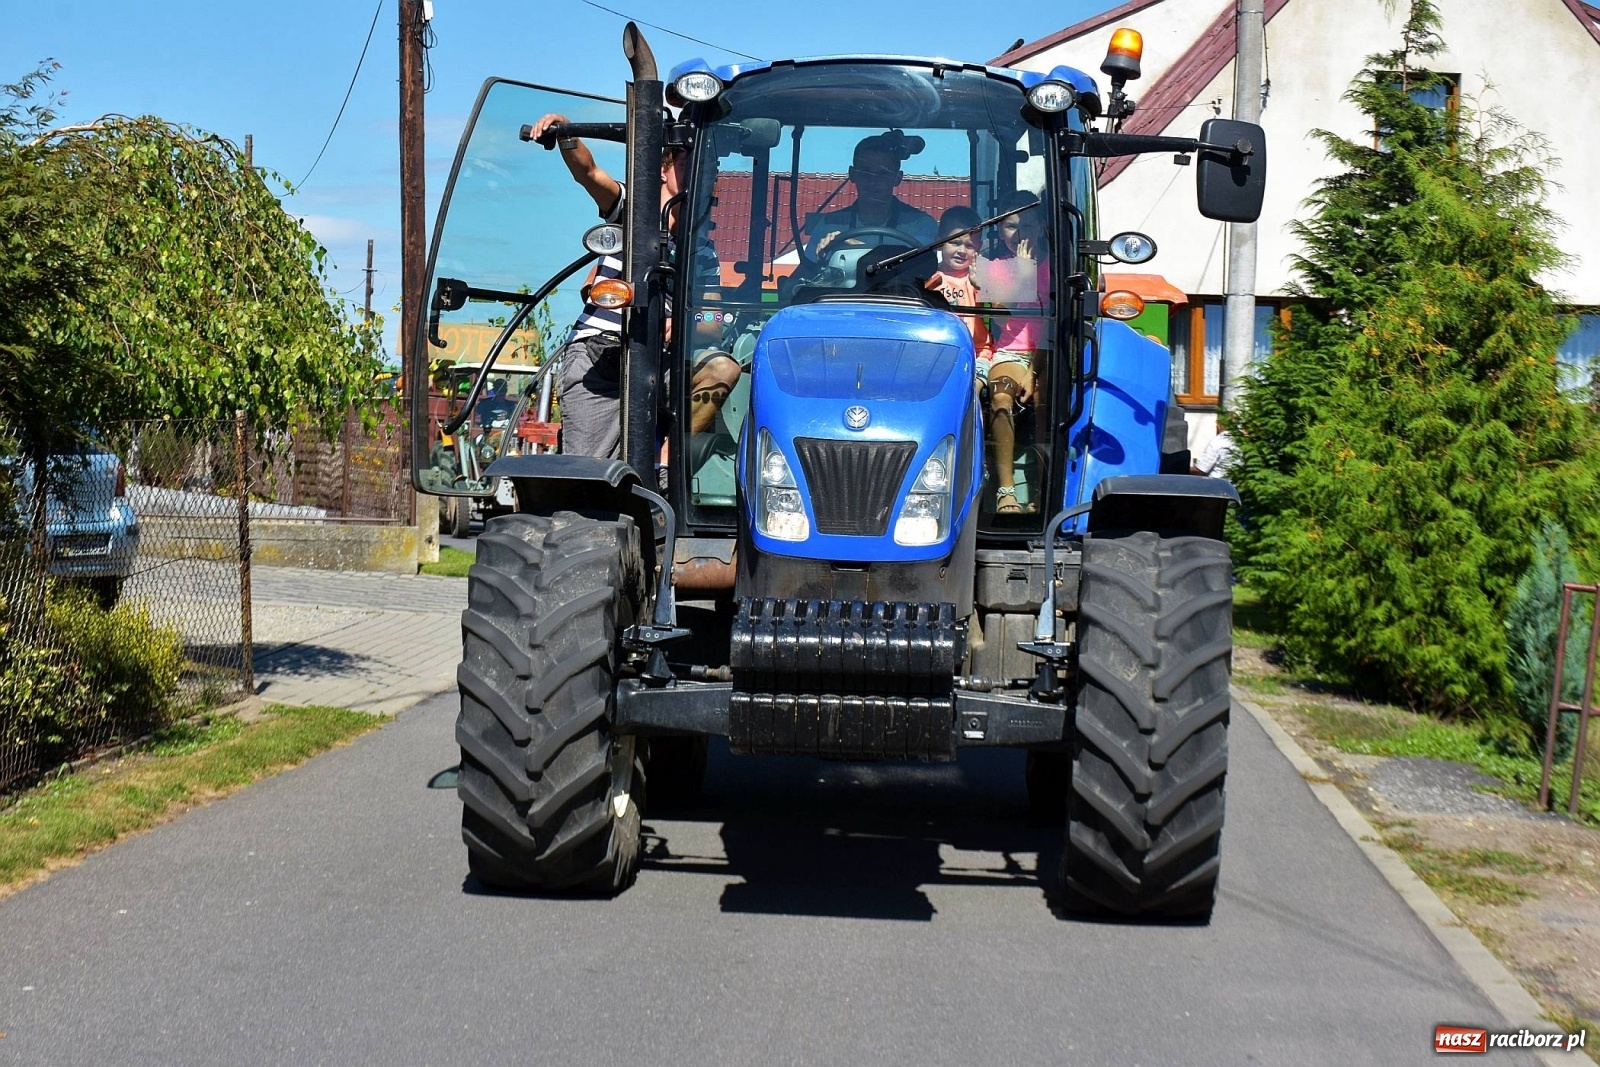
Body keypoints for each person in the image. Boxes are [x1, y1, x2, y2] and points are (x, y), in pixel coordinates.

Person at [527, 113, 740, 460]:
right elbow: (589, 173)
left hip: (659, 363)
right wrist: (566, 132)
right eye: (689, 163)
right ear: (663, 169)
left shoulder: (702, 249)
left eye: (708, 168)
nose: (700, 173)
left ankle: (666, 464)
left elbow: (713, 320)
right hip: (601, 356)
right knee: (590, 473)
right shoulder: (630, 210)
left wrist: (685, 323)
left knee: (722, 369)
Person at [974, 191, 1049, 513]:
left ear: (1042, 227)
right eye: (1010, 225)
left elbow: (1051, 324)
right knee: (1001, 397)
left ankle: (1042, 491)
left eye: (1027, 224)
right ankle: (1006, 491)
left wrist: (1035, 372)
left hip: (1048, 351)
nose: (1019, 233)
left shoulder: (1058, 266)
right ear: (999, 229)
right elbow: (1004, 312)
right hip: (1012, 352)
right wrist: (1022, 270)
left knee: (1046, 400)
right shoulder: (994, 268)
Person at [804, 131, 939, 264]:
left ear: (897, 178)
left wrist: (854, 248)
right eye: (865, 172)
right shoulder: (827, 224)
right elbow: (806, 272)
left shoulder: (921, 225)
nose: (873, 181)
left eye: (883, 173)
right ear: (852, 174)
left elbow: (921, 264)